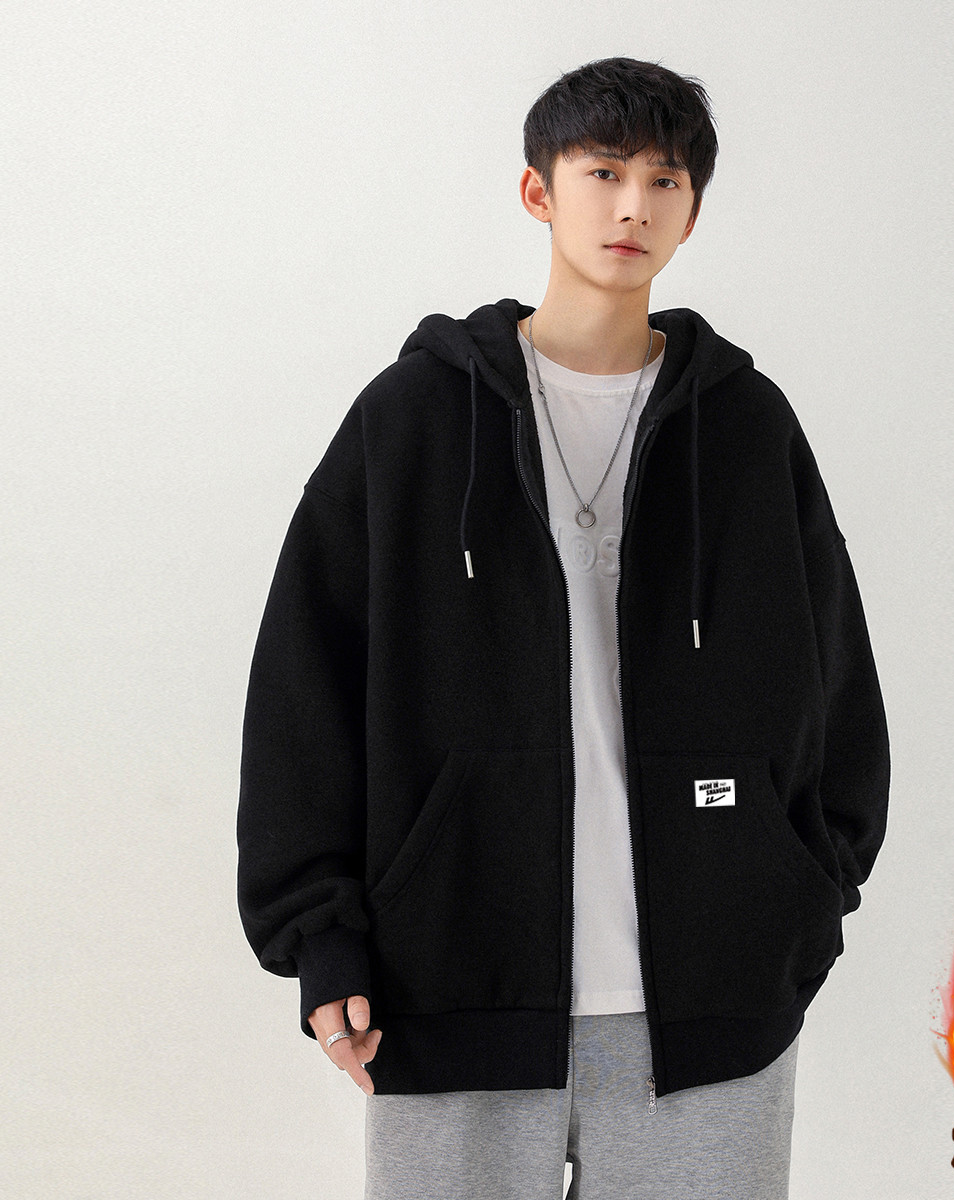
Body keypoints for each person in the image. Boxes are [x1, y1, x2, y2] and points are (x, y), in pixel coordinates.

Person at [238, 56, 889, 1199]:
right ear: (538, 191)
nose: (633, 205)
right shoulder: (414, 419)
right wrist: (322, 935)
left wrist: (795, 903)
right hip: (451, 984)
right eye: (604, 172)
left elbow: (836, 681)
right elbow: (305, 691)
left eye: (665, 180)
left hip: (711, 1011)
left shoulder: (746, 427)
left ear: (692, 213)